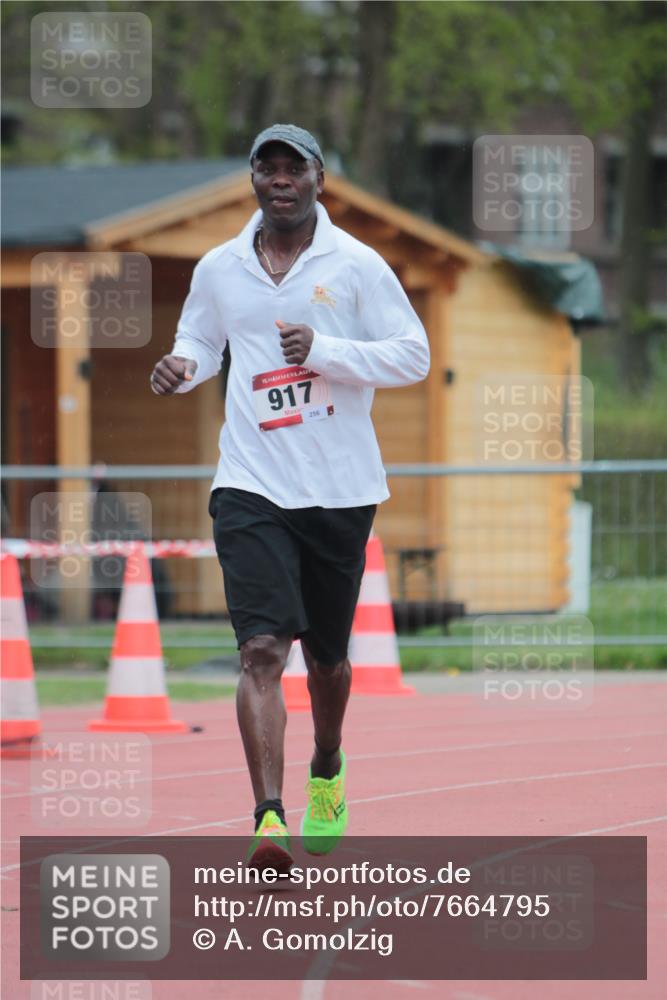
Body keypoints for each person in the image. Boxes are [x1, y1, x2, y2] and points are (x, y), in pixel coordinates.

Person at [150, 124, 430, 873]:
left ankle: (328, 765)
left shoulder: (358, 266)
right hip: (250, 480)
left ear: (317, 179)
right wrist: (183, 365)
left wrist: (329, 351)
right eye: (267, 167)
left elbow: (413, 354)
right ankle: (266, 815)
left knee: (329, 661)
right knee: (261, 648)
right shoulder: (219, 267)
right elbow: (202, 341)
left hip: (337, 488)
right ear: (253, 179)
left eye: (293, 167)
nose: (280, 179)